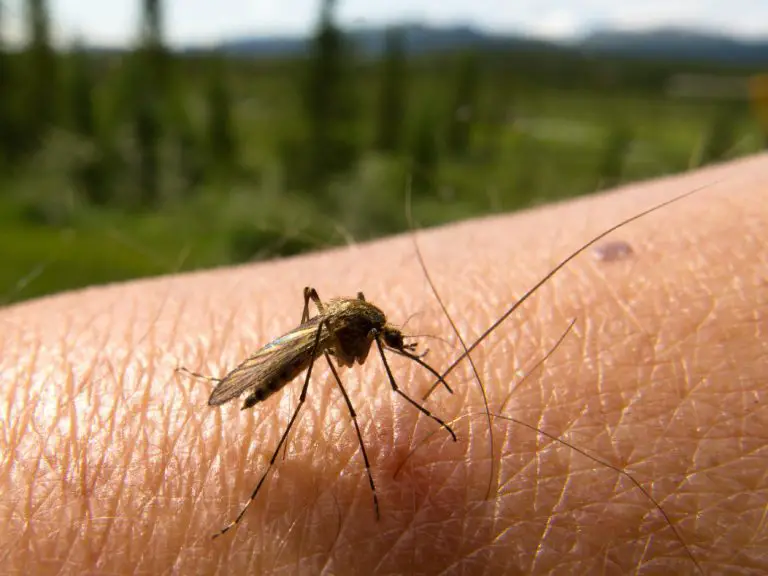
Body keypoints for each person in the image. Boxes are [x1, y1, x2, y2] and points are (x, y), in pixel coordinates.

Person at [2, 154, 765, 573]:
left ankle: (247, 401)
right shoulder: (343, 333)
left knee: (322, 370)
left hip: (316, 332)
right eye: (381, 340)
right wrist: (391, 384)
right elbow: (369, 360)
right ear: (365, 330)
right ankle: (258, 478)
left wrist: (388, 349)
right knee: (303, 402)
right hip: (288, 357)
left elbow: (371, 338)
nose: (383, 350)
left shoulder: (359, 320)